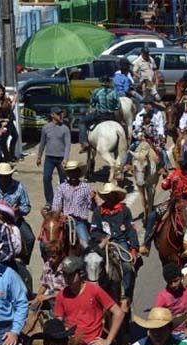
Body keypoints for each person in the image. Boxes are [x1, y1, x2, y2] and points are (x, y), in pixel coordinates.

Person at [90, 182, 139, 310]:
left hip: (120, 242)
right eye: (107, 195)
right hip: (104, 242)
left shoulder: (124, 211)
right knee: (90, 263)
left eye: (112, 195)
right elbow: (94, 231)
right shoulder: (98, 212)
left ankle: (126, 295)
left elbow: (131, 231)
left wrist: (133, 249)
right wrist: (103, 238)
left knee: (127, 266)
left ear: (116, 196)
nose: (109, 198)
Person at [0, 162, 33, 263]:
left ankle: (23, 263)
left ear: (11, 175)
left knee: (29, 238)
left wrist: (18, 210)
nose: (3, 178)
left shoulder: (19, 186)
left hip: (13, 219)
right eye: (1, 176)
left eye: (6, 176)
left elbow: (26, 206)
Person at [50, 161, 94, 249]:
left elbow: (90, 206)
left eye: (75, 172)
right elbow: (55, 205)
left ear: (79, 173)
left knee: (85, 243)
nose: (73, 175)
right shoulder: (62, 187)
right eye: (70, 172)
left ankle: (86, 254)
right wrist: (59, 215)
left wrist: (93, 199)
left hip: (79, 221)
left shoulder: (86, 188)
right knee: (50, 240)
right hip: (64, 220)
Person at [36, 107, 71, 207]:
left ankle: (64, 201)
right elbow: (42, 143)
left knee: (64, 180)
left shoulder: (65, 129)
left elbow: (68, 144)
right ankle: (49, 201)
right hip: (49, 158)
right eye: (58, 114)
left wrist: (66, 158)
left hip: (61, 158)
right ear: (52, 115)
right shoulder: (46, 128)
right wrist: (39, 156)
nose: (60, 116)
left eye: (61, 113)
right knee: (46, 178)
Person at [78, 76, 121, 154]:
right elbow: (118, 106)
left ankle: (84, 142)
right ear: (109, 82)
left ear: (101, 82)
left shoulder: (97, 92)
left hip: (100, 115)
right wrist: (112, 108)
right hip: (111, 116)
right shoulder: (114, 92)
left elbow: (92, 104)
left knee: (82, 122)